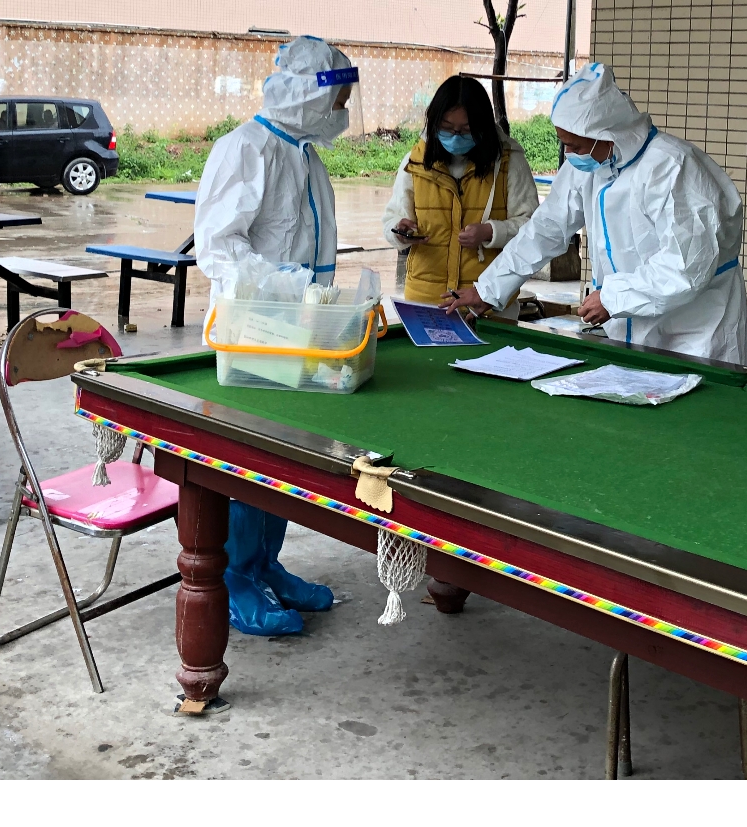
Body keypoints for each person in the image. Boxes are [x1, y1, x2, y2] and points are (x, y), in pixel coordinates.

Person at [189, 35, 365, 636]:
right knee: (247, 457)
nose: (342, 111)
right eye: (338, 100)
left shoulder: (305, 155)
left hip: (299, 329)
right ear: (308, 95)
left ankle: (266, 564)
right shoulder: (245, 149)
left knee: (285, 454)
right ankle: (235, 577)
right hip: (253, 328)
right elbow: (219, 248)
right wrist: (287, 286)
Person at [442, 65, 747, 364]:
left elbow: (686, 266)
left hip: (696, 329)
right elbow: (544, 229)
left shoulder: (673, 168)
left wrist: (613, 298)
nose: (569, 154)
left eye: (574, 146)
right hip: (630, 325)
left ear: (608, 134)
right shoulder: (589, 166)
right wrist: (488, 289)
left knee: (693, 395)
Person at [384, 75, 541, 306]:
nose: (456, 136)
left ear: (483, 126)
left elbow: (532, 226)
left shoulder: (510, 163)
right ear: (434, 122)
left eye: (467, 129)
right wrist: (399, 231)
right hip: (426, 300)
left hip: (488, 301)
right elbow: (392, 218)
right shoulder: (415, 163)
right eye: (447, 128)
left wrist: (490, 231)